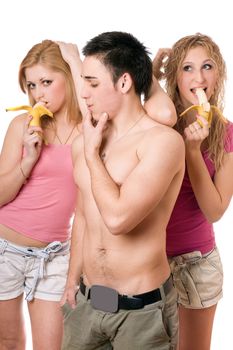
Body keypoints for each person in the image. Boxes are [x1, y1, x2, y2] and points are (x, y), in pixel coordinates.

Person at [61, 31, 185, 350]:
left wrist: (91, 156)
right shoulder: (84, 141)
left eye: (92, 83)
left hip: (141, 313)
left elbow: (117, 220)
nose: (83, 93)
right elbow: (84, 216)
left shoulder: (162, 142)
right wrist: (72, 280)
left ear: (125, 83)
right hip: (86, 304)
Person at [0, 40, 84, 350]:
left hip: (54, 256)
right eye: (32, 84)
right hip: (4, 250)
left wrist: (76, 61)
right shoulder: (21, 125)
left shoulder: (88, 130)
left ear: (68, 79)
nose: (38, 93)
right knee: (8, 342)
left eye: (47, 82)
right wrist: (27, 161)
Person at [154, 33, 233, 350]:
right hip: (149, 261)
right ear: (173, 76)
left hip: (197, 265)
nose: (198, 77)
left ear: (219, 75)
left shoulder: (226, 132)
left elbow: (215, 210)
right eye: (187, 67)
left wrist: (192, 151)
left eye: (207, 66)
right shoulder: (158, 121)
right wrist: (147, 77)